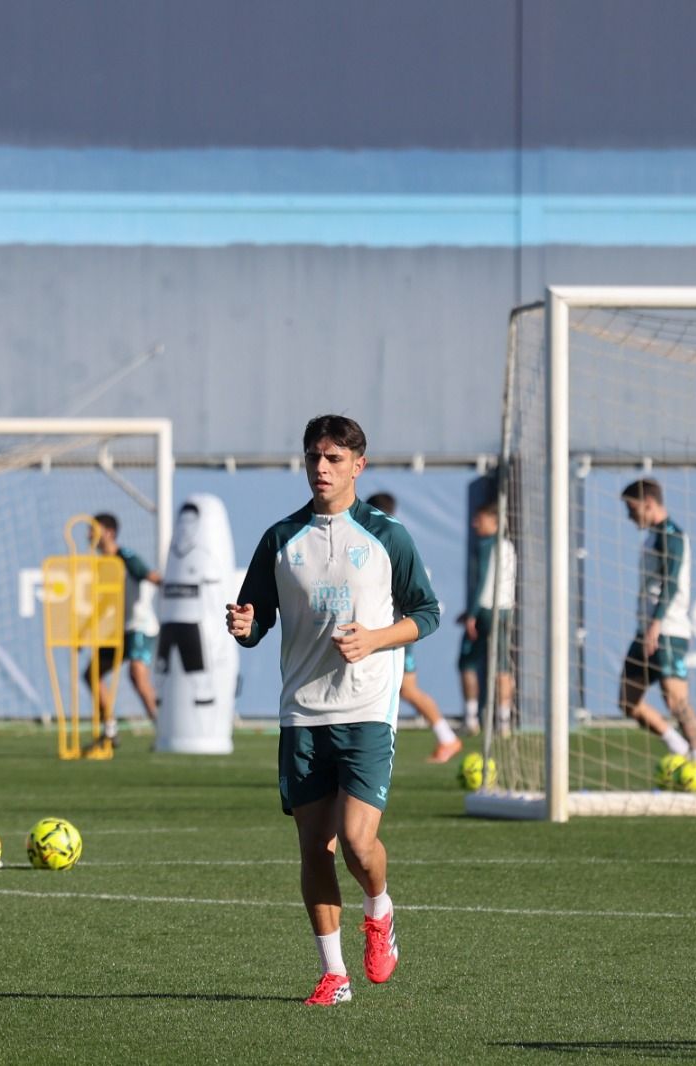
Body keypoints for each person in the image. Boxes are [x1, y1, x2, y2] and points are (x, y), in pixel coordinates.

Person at [226, 415, 439, 1006]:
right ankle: (334, 974)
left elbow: (427, 612)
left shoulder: (385, 535)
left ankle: (380, 908)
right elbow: (256, 617)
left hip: (368, 709)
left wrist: (374, 638)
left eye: (334, 458)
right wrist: (245, 626)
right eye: (314, 457)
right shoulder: (279, 538)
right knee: (313, 848)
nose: (321, 468)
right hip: (302, 714)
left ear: (357, 466)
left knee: (355, 841)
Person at [364, 493, 461, 763]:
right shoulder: (393, 540)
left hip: (393, 632)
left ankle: (447, 738)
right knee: (402, 689)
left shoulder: (390, 543)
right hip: (390, 631)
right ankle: (447, 738)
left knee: (403, 689)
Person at [619, 478, 696, 767]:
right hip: (647, 631)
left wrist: (656, 623)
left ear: (649, 504)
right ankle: (678, 746)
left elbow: (671, 583)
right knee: (628, 701)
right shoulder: (652, 535)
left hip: (668, 630)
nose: (629, 515)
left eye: (632, 509)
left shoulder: (672, 535)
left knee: (676, 701)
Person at [82, 512, 162, 756]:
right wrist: (84, 632)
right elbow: (105, 603)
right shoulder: (102, 566)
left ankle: (163, 731)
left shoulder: (125, 558)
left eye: (93, 530)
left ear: (109, 533)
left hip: (140, 626)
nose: (88, 535)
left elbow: (151, 576)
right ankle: (110, 730)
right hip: (118, 631)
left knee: (137, 675)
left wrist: (179, 588)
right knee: (92, 674)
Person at [457, 501, 515, 735]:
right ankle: (504, 723)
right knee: (502, 665)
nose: (474, 524)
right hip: (506, 610)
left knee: (467, 663)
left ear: (494, 522)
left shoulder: (486, 545)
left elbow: (482, 580)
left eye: (479, 520)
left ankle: (471, 719)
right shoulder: (509, 546)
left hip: (486, 611)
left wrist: (471, 615)